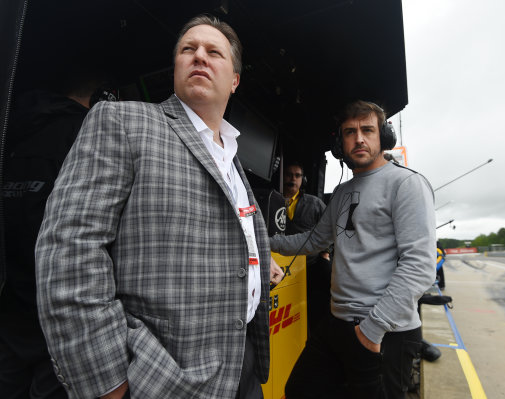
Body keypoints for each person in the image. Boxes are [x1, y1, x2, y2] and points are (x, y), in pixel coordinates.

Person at [35, 15, 283, 399]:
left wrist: (257, 258)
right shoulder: (123, 121)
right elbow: (69, 250)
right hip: (160, 378)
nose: (199, 55)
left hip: (244, 366)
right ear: (176, 68)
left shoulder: (233, 160)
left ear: (234, 80)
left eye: (213, 52)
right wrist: (107, 383)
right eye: (188, 49)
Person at [270, 100, 436, 399]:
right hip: (337, 323)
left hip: (383, 331)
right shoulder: (343, 193)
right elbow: (313, 241)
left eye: (367, 130)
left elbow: (419, 266)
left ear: (382, 137)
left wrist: (372, 330)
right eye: (350, 132)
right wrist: (262, 241)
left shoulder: (407, 184)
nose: (359, 138)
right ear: (340, 144)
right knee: (298, 390)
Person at [0, 79, 104, 399]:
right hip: (60, 315)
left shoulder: (15, 127)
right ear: (98, 96)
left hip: (10, 306)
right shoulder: (87, 133)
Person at [282, 161, 331, 333]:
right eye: (289, 174)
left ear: (303, 179)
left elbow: (330, 229)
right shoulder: (272, 200)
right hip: (281, 268)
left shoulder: (315, 203)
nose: (292, 179)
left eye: (297, 175)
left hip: (311, 264)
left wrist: (325, 254)